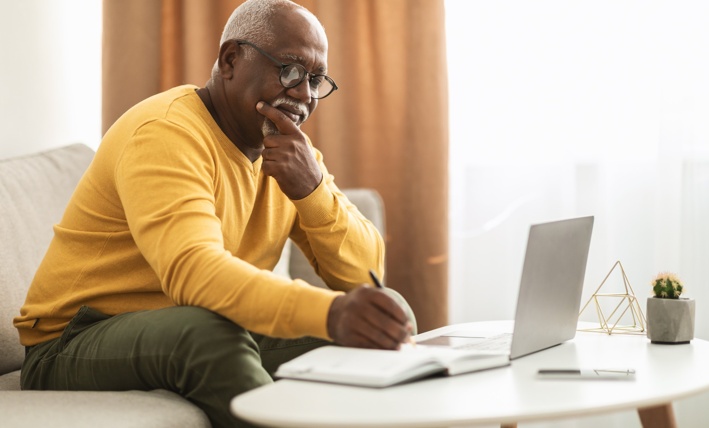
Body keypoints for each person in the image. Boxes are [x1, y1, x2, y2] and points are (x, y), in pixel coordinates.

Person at [14, 0, 415, 426]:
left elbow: (365, 275)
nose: (304, 94)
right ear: (230, 60)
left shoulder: (290, 153)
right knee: (208, 334)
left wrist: (312, 191)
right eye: (291, 70)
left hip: (191, 326)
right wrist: (330, 313)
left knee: (386, 319)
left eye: (316, 80)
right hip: (70, 342)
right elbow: (194, 272)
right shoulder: (166, 132)